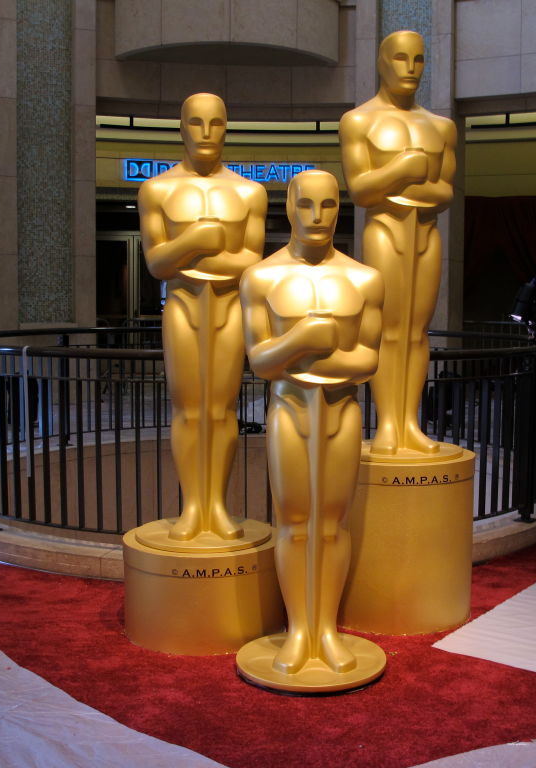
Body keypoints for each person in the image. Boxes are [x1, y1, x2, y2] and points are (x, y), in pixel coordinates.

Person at [240, 170, 383, 674]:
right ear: (288, 207)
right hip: (289, 410)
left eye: (328, 205)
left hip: (342, 412)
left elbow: (367, 361)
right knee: (296, 522)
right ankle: (299, 628)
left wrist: (303, 357)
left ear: (340, 208)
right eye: (306, 206)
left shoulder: (364, 279)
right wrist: (304, 340)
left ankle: (327, 627)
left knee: (332, 524)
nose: (317, 217)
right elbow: (258, 361)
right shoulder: (261, 278)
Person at [138, 93, 268, 542]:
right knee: (188, 409)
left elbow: (252, 260)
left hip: (229, 308)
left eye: (216, 123)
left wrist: (193, 257)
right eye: (196, 123)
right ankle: (193, 505)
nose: (206, 133)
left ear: (227, 127)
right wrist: (196, 239)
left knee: (222, 410)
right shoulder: (157, 190)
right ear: (181, 127)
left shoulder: (249, 192)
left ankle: (218, 504)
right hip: (182, 307)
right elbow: (156, 263)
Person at [339, 29, 457, 456]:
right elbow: (361, 191)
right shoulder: (359, 121)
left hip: (426, 233)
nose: (410, 68)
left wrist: (398, 186)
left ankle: (411, 422)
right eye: (401, 58)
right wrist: (405, 171)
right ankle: (388, 423)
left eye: (419, 59)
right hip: (385, 231)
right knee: (388, 330)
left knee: (416, 331)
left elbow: (444, 193)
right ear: (381, 62)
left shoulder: (441, 126)